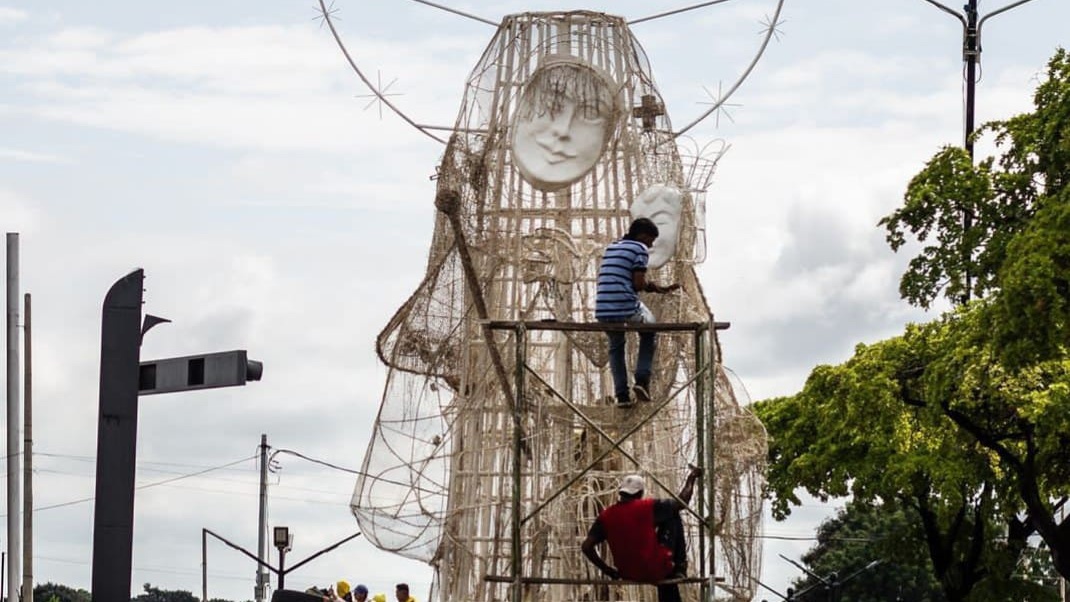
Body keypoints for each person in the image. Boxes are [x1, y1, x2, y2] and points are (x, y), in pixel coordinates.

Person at [581, 466, 703, 602]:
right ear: (640, 493)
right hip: (656, 569)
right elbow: (682, 502)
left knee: (668, 515)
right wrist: (691, 478)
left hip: (627, 572)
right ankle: (680, 567)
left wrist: (607, 570)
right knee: (673, 514)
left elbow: (586, 547)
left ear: (621, 493)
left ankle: (672, 570)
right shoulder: (648, 507)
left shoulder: (605, 516)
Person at [595, 217, 681, 406]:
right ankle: (642, 380)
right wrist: (657, 288)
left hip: (603, 308)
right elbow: (638, 284)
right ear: (642, 236)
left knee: (616, 347)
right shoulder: (639, 249)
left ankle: (622, 396)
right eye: (651, 240)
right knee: (650, 329)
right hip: (624, 305)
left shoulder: (612, 247)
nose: (650, 246)